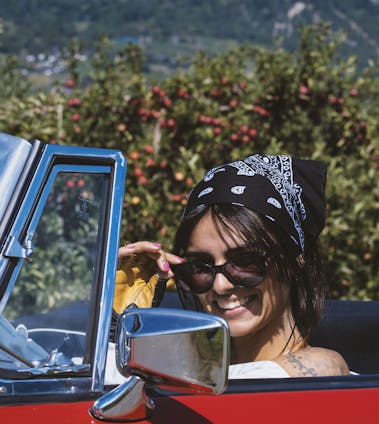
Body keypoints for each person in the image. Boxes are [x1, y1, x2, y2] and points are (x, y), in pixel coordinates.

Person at [115, 154, 349, 378]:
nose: (220, 285)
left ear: (295, 258)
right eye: (200, 266)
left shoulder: (321, 368)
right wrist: (116, 332)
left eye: (245, 263)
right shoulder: (191, 372)